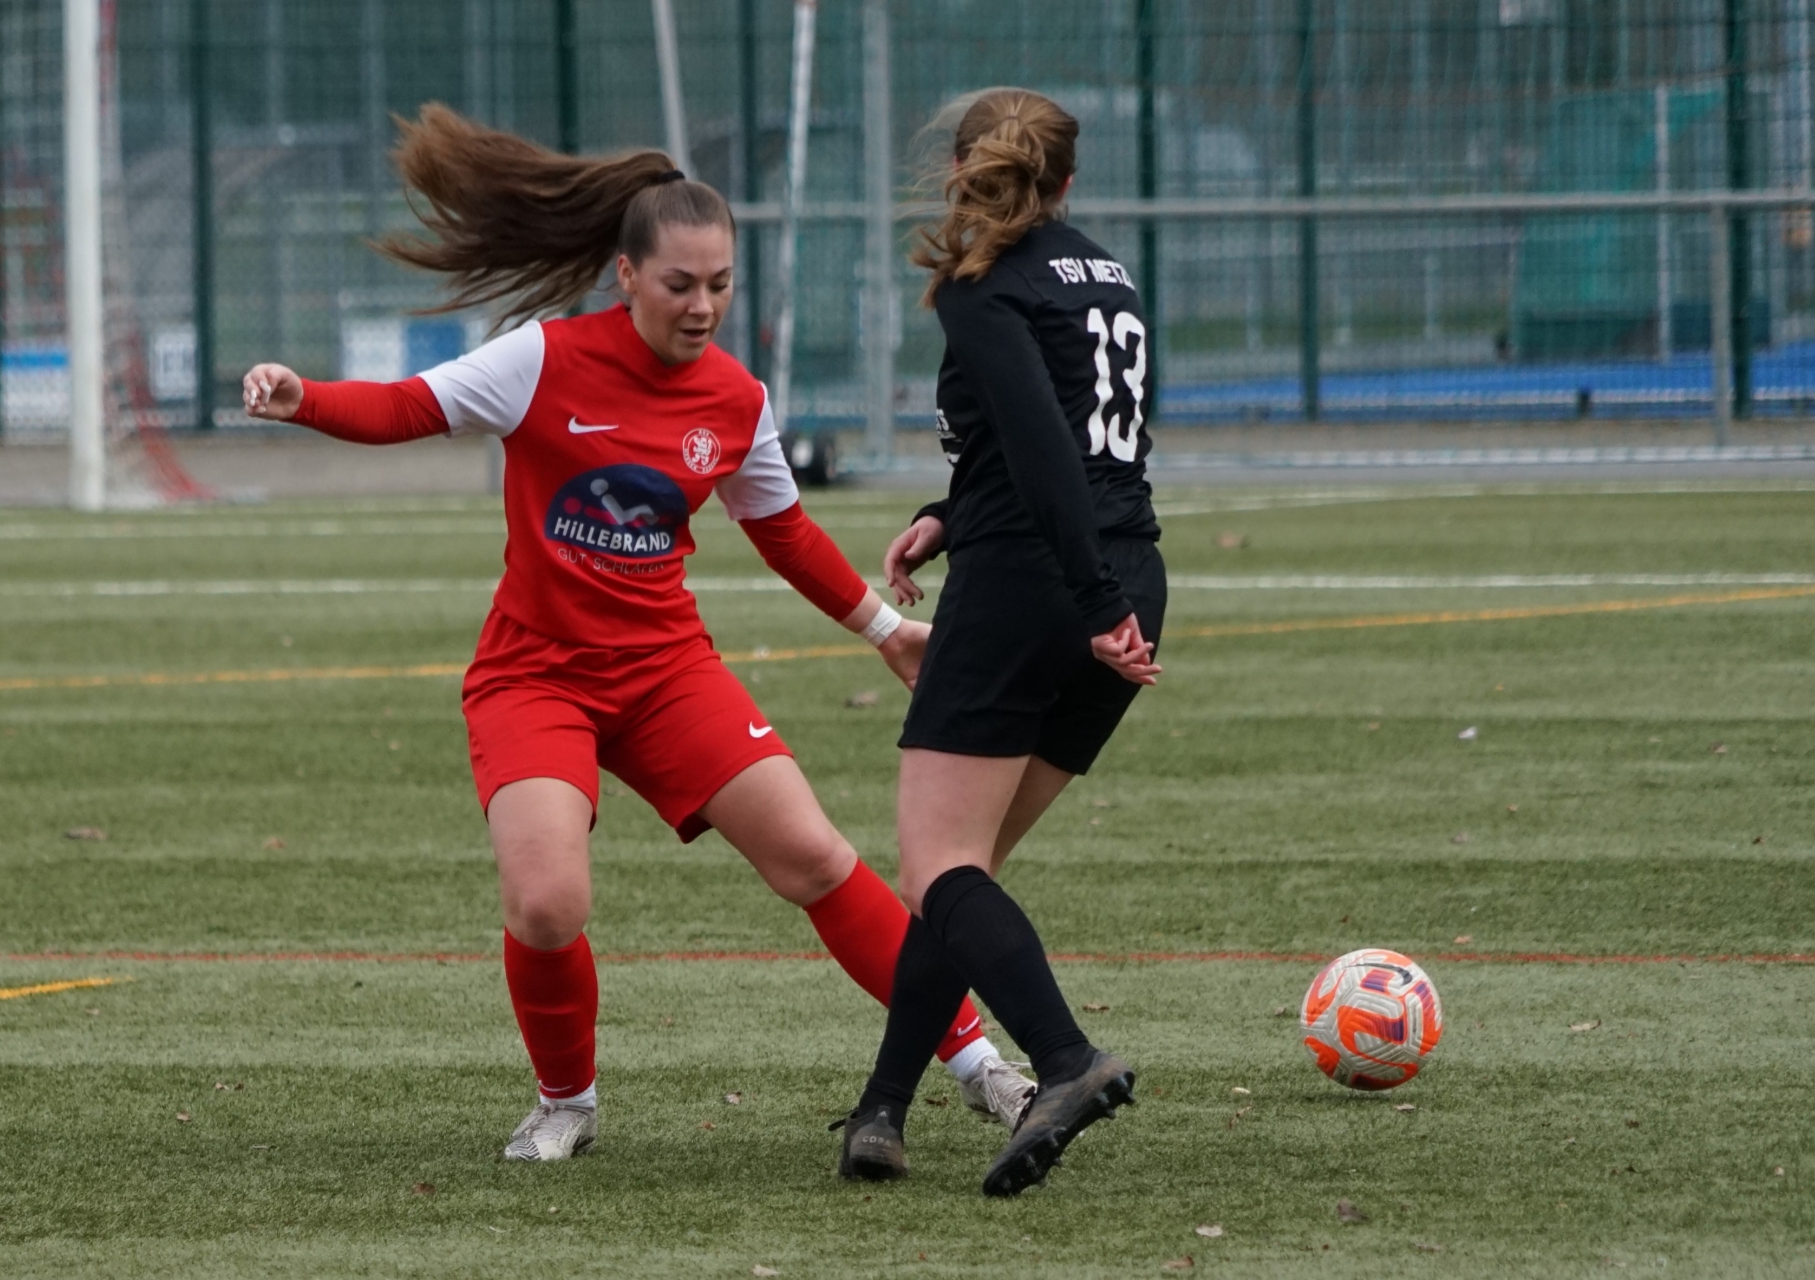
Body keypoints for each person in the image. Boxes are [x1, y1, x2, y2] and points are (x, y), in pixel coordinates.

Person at [240, 104, 1033, 1163]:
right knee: (546, 900)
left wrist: (885, 626)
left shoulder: (736, 399)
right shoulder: (542, 360)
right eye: (679, 285)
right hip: (535, 677)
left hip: (666, 673)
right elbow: (402, 407)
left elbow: (783, 532)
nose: (703, 306)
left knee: (812, 854)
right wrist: (303, 399)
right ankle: (567, 1099)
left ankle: (982, 1065)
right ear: (625, 277)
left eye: (720, 285)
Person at [832, 88, 1166, 1197]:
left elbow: (1040, 451)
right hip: (1130, 575)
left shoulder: (982, 287)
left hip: (1042, 587)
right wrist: (949, 509)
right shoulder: (1108, 275)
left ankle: (1066, 1060)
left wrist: (1083, 597)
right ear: (1069, 183)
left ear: (965, 173)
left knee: (938, 866)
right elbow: (1071, 443)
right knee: (960, 878)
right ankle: (881, 1108)